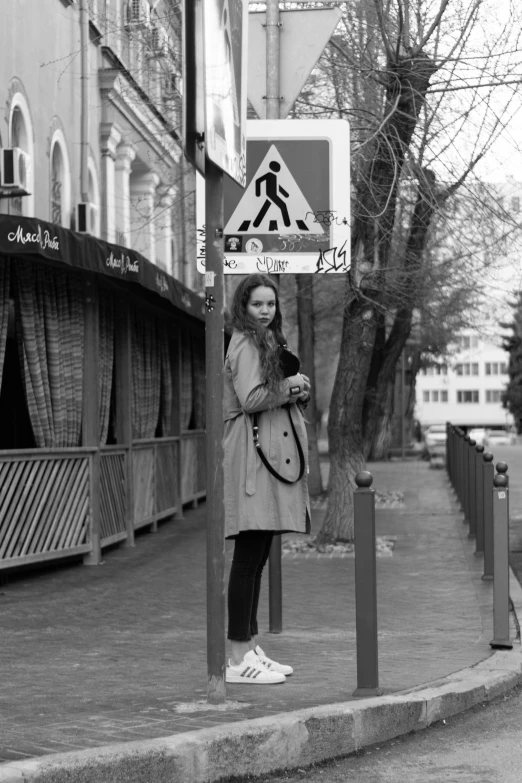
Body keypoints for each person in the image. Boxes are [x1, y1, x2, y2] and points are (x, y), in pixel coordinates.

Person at [223, 274, 311, 685]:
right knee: (247, 559)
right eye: (257, 304)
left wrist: (297, 389)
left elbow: (270, 390)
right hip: (251, 461)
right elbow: (252, 398)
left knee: (256, 559)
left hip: (264, 459)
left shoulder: (268, 342)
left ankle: (250, 646)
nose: (265, 311)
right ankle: (238, 658)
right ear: (244, 306)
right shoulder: (244, 343)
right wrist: (290, 386)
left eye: (270, 304)